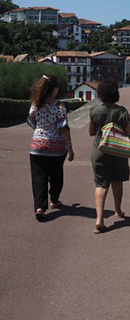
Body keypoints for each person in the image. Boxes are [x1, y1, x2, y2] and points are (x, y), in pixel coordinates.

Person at [26, 76, 75, 221]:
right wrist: (70, 148)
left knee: (38, 177)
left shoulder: (35, 104)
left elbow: (32, 121)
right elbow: (64, 128)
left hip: (37, 145)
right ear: (53, 89)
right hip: (57, 147)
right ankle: (54, 200)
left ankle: (40, 207)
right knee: (56, 174)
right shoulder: (60, 105)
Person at [88, 78, 130, 234]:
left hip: (100, 151)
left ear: (100, 93)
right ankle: (118, 210)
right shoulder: (122, 112)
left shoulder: (94, 111)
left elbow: (91, 132)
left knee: (101, 184)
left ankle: (99, 220)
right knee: (117, 181)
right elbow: (129, 132)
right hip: (118, 151)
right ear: (116, 93)